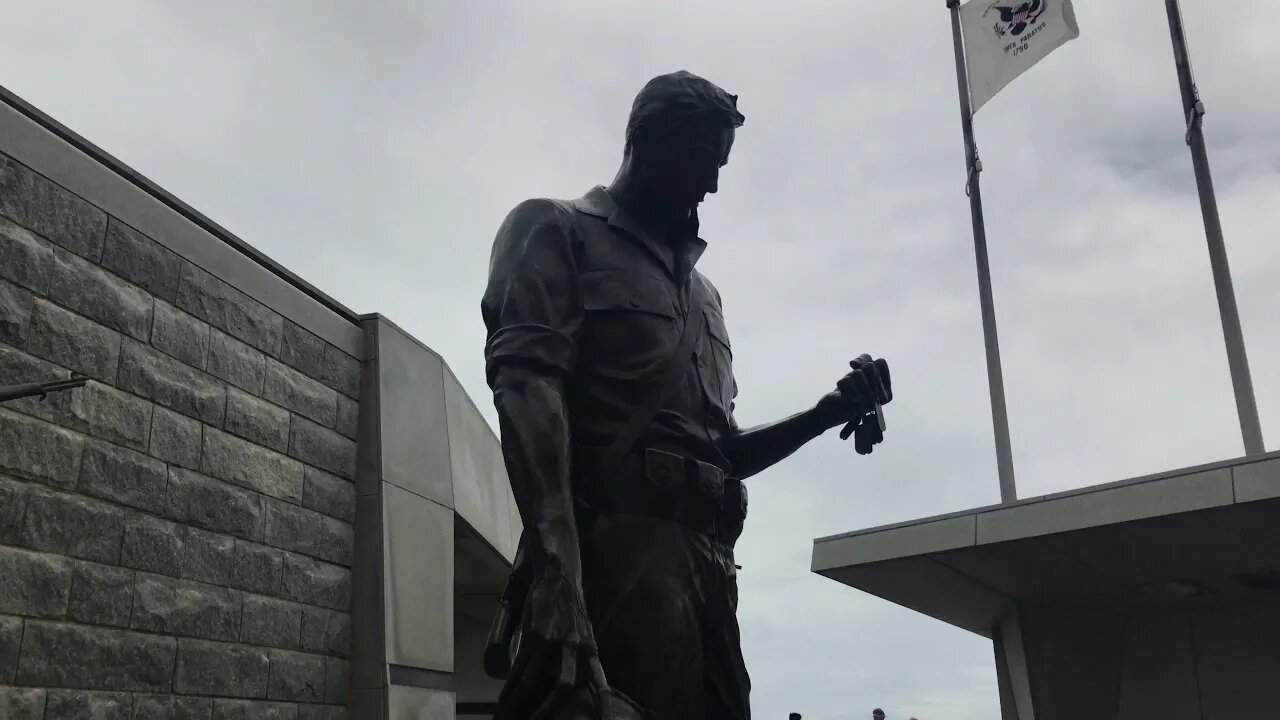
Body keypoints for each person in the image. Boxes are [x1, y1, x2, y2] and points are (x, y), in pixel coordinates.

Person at [482, 70, 893, 720]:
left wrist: (826, 414)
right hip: (616, 557)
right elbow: (528, 388)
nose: (713, 184)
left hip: (709, 570)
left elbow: (719, 450)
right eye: (704, 161)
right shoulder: (556, 229)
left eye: (721, 165)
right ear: (648, 140)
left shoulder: (706, 298)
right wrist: (559, 570)